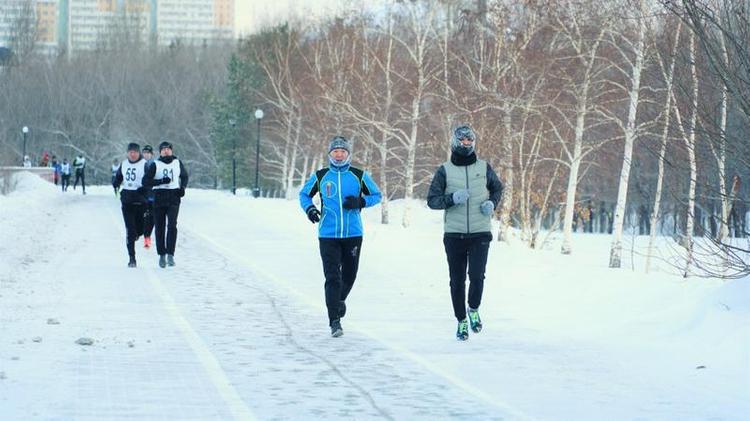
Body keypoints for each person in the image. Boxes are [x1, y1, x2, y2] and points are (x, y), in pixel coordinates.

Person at [299, 136, 382, 338]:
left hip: (353, 234)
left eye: (342, 151)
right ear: (330, 154)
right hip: (328, 234)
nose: (339, 154)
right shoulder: (321, 176)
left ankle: (339, 300)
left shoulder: (358, 176)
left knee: (350, 275)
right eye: (335, 151)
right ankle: (334, 321)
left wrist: (360, 202)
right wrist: (310, 209)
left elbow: (377, 195)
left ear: (348, 154)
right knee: (332, 276)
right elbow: (304, 194)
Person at [426, 125, 503, 341]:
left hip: (480, 232)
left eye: (470, 141)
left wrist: (491, 203)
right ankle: (461, 321)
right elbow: (432, 201)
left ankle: (474, 309)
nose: (466, 144)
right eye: (463, 141)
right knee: (457, 280)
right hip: (454, 234)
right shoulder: (444, 170)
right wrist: (452, 199)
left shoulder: (484, 167)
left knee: (477, 276)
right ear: (454, 142)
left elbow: (498, 188)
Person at [143, 141, 188, 268]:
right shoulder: (156, 164)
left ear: (171, 151)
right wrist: (160, 181)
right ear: (160, 152)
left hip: (174, 196)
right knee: (160, 227)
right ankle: (161, 254)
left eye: (168, 149)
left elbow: (184, 176)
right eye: (163, 149)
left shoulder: (177, 162)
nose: (166, 151)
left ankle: (170, 255)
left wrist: (183, 187)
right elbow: (145, 181)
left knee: (172, 226)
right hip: (159, 196)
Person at [112, 143, 148, 268]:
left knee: (141, 229)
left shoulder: (145, 164)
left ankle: (137, 233)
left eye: (135, 152)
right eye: (130, 152)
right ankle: (132, 258)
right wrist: (116, 184)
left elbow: (150, 181)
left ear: (139, 153)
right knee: (130, 230)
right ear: (127, 153)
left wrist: (145, 189)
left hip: (141, 200)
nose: (132, 154)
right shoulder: (124, 164)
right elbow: (118, 177)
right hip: (127, 200)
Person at [141, 145, 156, 249]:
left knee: (152, 217)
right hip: (142, 195)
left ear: (152, 154)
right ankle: (143, 235)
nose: (146, 154)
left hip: (153, 195)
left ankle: (147, 238)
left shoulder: (155, 164)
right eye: (144, 152)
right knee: (144, 217)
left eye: (148, 153)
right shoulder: (139, 164)